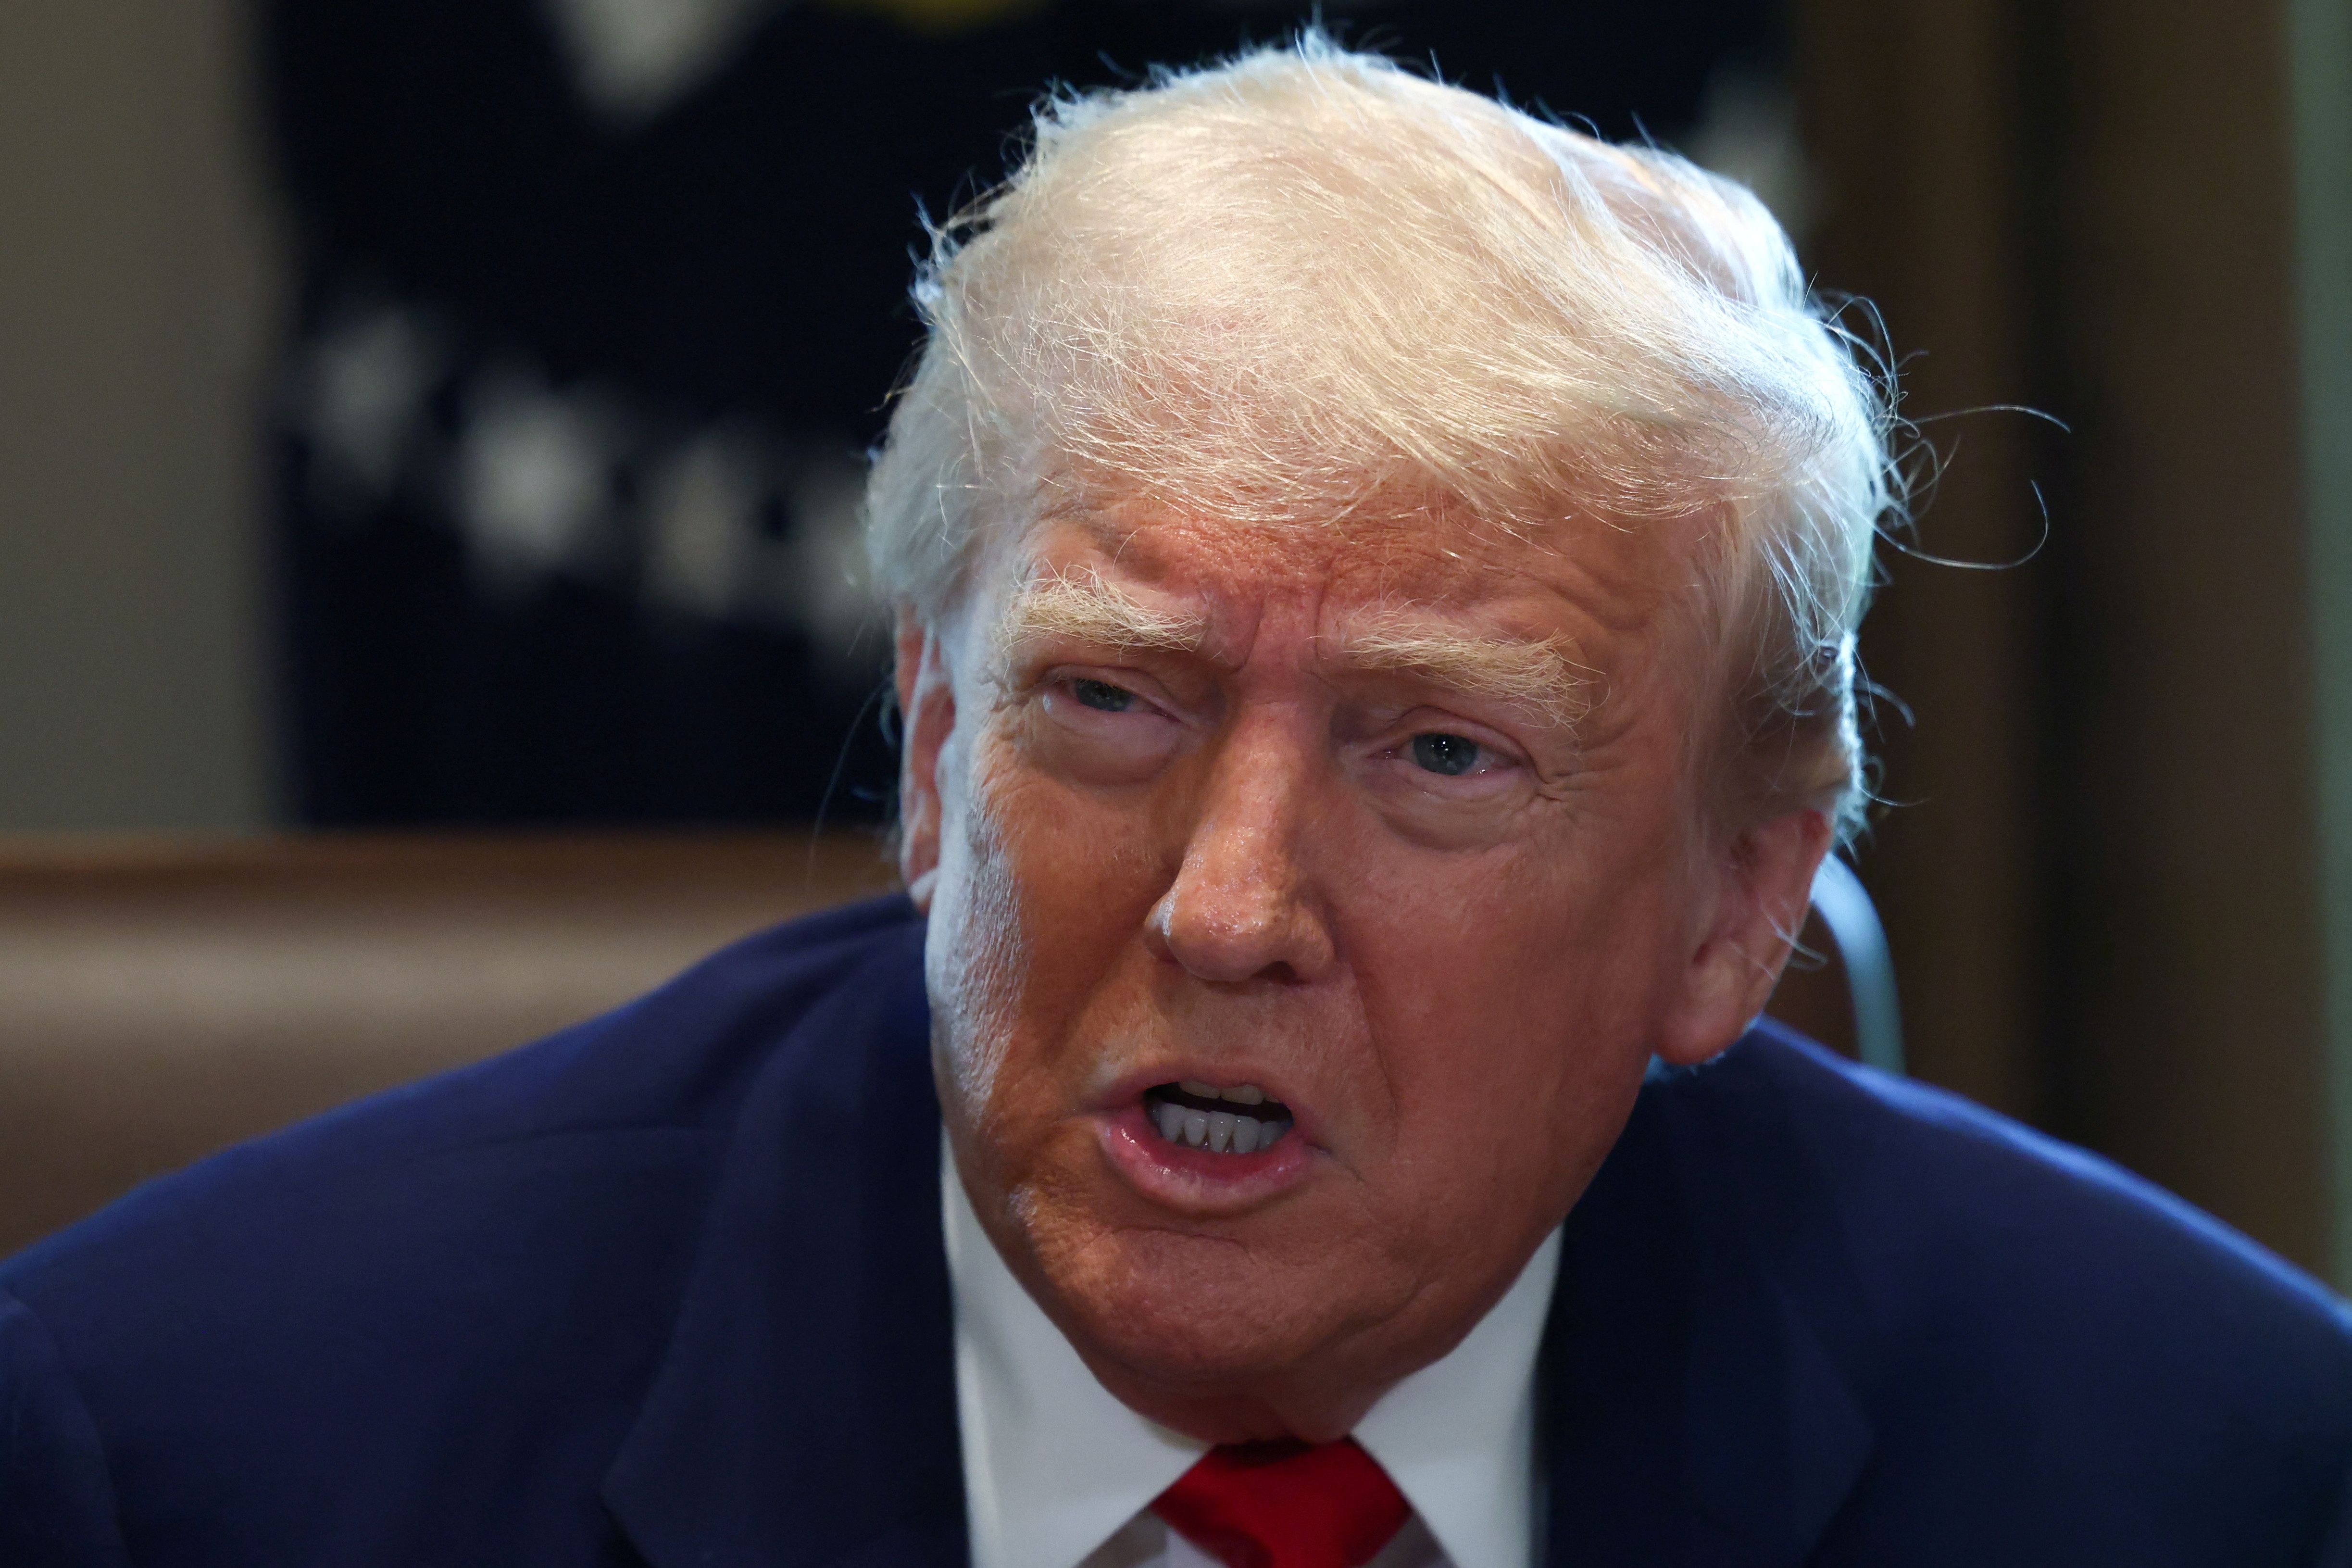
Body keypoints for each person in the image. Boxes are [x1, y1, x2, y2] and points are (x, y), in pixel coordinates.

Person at [5, 38, 2350, 1568]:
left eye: (1437, 752)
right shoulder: (197, 1461)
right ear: (937, 750)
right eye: (1111, 702)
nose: (1227, 911)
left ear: (1740, 898)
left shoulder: (2200, 1471)